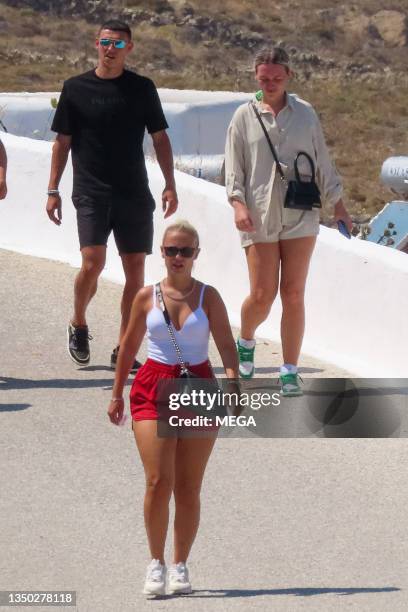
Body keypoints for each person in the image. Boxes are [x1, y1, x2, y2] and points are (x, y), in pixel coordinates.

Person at [108, 220, 238, 596]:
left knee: (188, 486)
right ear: (161, 253)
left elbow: (227, 347)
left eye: (185, 251)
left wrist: (232, 383)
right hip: (152, 385)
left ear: (196, 255)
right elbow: (128, 347)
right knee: (157, 480)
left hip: (197, 385)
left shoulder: (208, 297)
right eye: (170, 250)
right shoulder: (146, 297)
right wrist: (117, 393)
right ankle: (155, 562)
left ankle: (180, 564)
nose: (177, 257)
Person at [46, 19, 178, 370]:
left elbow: (160, 138)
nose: (111, 49)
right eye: (106, 43)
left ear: (129, 49)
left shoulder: (142, 88)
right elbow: (62, 141)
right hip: (90, 191)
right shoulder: (75, 88)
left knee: (135, 271)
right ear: (96, 44)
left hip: (134, 193)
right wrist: (53, 189)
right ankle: (78, 322)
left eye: (118, 44)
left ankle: (125, 347)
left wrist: (169, 183)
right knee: (93, 263)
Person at [225, 46, 353, 396]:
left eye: (276, 78)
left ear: (289, 76)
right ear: (256, 76)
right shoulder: (243, 116)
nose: (270, 84)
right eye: (264, 78)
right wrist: (238, 205)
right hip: (260, 214)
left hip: (301, 212)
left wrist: (338, 205)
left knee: (293, 293)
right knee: (262, 295)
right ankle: (247, 339)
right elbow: (234, 169)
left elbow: (322, 162)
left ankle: (289, 370)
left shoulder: (306, 114)